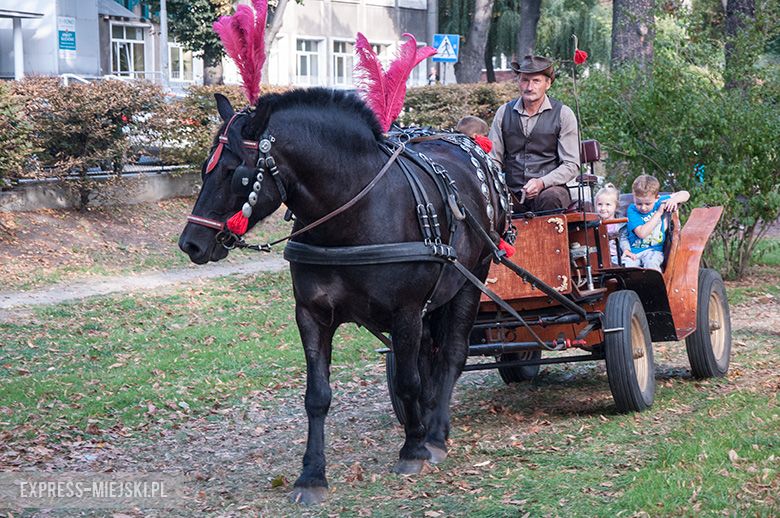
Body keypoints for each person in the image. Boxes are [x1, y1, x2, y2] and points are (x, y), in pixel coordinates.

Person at [488, 55, 580, 213]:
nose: (529, 87)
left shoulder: (563, 114)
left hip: (550, 189)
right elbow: (493, 159)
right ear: (518, 82)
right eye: (524, 80)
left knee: (551, 198)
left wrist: (542, 182)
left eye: (536, 81)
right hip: (511, 191)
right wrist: (497, 186)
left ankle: (550, 239)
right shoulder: (504, 112)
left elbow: (571, 165)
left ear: (548, 83)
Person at [624, 174, 690, 271]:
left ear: (656, 198)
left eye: (647, 203)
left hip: (654, 251)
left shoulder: (659, 202)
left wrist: (673, 200)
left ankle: (654, 286)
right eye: (639, 203)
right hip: (634, 252)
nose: (643, 207)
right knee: (628, 268)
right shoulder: (632, 210)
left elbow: (685, 194)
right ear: (634, 197)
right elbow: (642, 233)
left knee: (652, 264)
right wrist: (659, 213)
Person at [595, 183, 634, 265]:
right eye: (599, 204)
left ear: (616, 206)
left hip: (616, 256)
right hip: (599, 257)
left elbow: (623, 239)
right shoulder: (594, 223)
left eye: (608, 204)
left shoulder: (619, 224)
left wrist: (626, 250)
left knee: (628, 263)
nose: (603, 208)